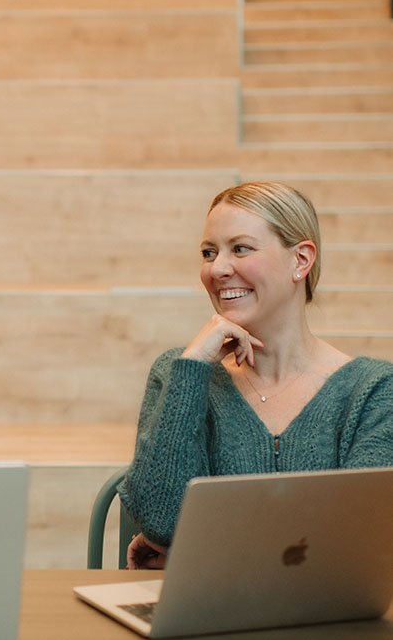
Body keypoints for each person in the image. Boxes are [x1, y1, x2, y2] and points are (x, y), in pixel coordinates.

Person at [119, 181, 393, 570]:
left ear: (301, 260)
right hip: (206, 621)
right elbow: (164, 521)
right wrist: (194, 364)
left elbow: (359, 544)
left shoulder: (375, 391)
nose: (217, 269)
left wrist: (199, 549)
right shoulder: (179, 373)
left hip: (330, 624)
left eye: (240, 248)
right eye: (208, 252)